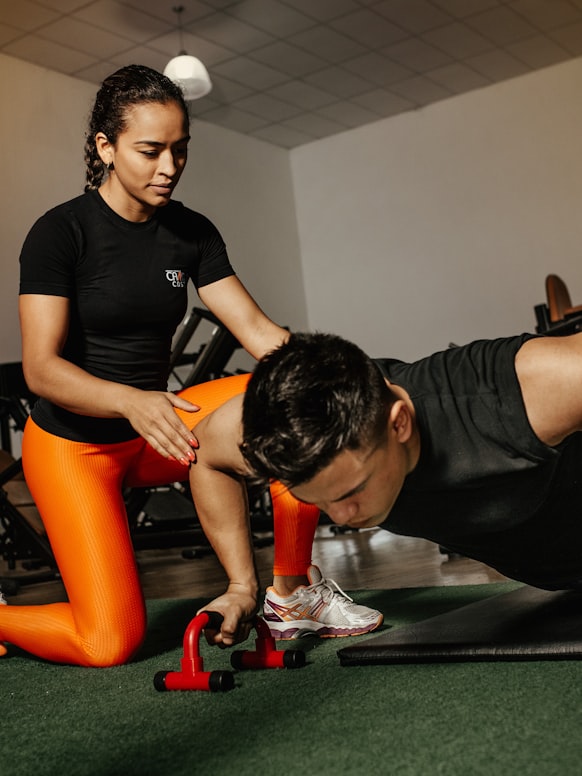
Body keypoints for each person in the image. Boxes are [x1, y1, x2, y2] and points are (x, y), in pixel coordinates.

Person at [0, 65, 380, 666]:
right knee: (108, 643)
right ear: (106, 147)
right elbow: (41, 370)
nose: (169, 166)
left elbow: (258, 332)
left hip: (163, 428)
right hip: (77, 447)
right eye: (151, 150)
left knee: (294, 402)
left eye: (180, 149)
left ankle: (290, 594)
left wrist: (343, 374)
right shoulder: (60, 233)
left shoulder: (190, 232)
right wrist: (129, 400)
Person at [177, 328, 582, 647]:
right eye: (316, 499)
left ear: (399, 423)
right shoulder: (287, 429)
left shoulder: (510, 393)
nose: (341, 516)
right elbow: (206, 454)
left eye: (351, 491)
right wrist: (241, 587)